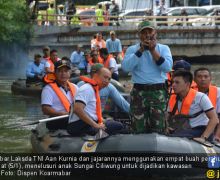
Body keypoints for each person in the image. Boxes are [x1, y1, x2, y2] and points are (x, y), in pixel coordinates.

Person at [122, 21, 173, 133]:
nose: (147, 35)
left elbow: (167, 68)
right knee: (138, 127)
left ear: (155, 33)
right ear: (139, 35)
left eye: (149, 32)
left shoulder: (164, 48)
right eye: (144, 32)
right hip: (139, 93)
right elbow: (126, 67)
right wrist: (140, 51)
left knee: (159, 127)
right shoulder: (132, 50)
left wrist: (152, 50)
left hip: (158, 92)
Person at [67, 64, 127, 136]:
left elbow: (91, 112)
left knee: (117, 125)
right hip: (80, 126)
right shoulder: (87, 89)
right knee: (118, 126)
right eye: (105, 77)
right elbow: (77, 109)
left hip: (88, 123)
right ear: (95, 75)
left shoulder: (94, 89)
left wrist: (103, 121)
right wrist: (96, 125)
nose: (107, 81)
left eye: (109, 79)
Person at [167, 70, 218, 141]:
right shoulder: (172, 97)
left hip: (200, 130)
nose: (173, 85)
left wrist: (203, 137)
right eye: (173, 82)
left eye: (177, 82)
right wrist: (166, 127)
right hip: (183, 129)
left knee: (175, 137)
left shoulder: (200, 97)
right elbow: (166, 116)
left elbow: (214, 119)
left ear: (187, 84)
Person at [41, 60, 78, 130]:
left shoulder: (75, 87)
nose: (63, 74)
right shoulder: (48, 89)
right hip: (56, 119)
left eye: (66, 71)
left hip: (72, 117)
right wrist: (62, 114)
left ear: (70, 73)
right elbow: (45, 109)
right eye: (60, 71)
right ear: (55, 72)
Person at [193, 68, 220, 140]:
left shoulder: (218, 92)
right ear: (194, 79)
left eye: (206, 76)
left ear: (210, 78)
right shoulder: (189, 92)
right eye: (199, 76)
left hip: (213, 126)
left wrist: (217, 136)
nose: (203, 79)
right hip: (195, 127)